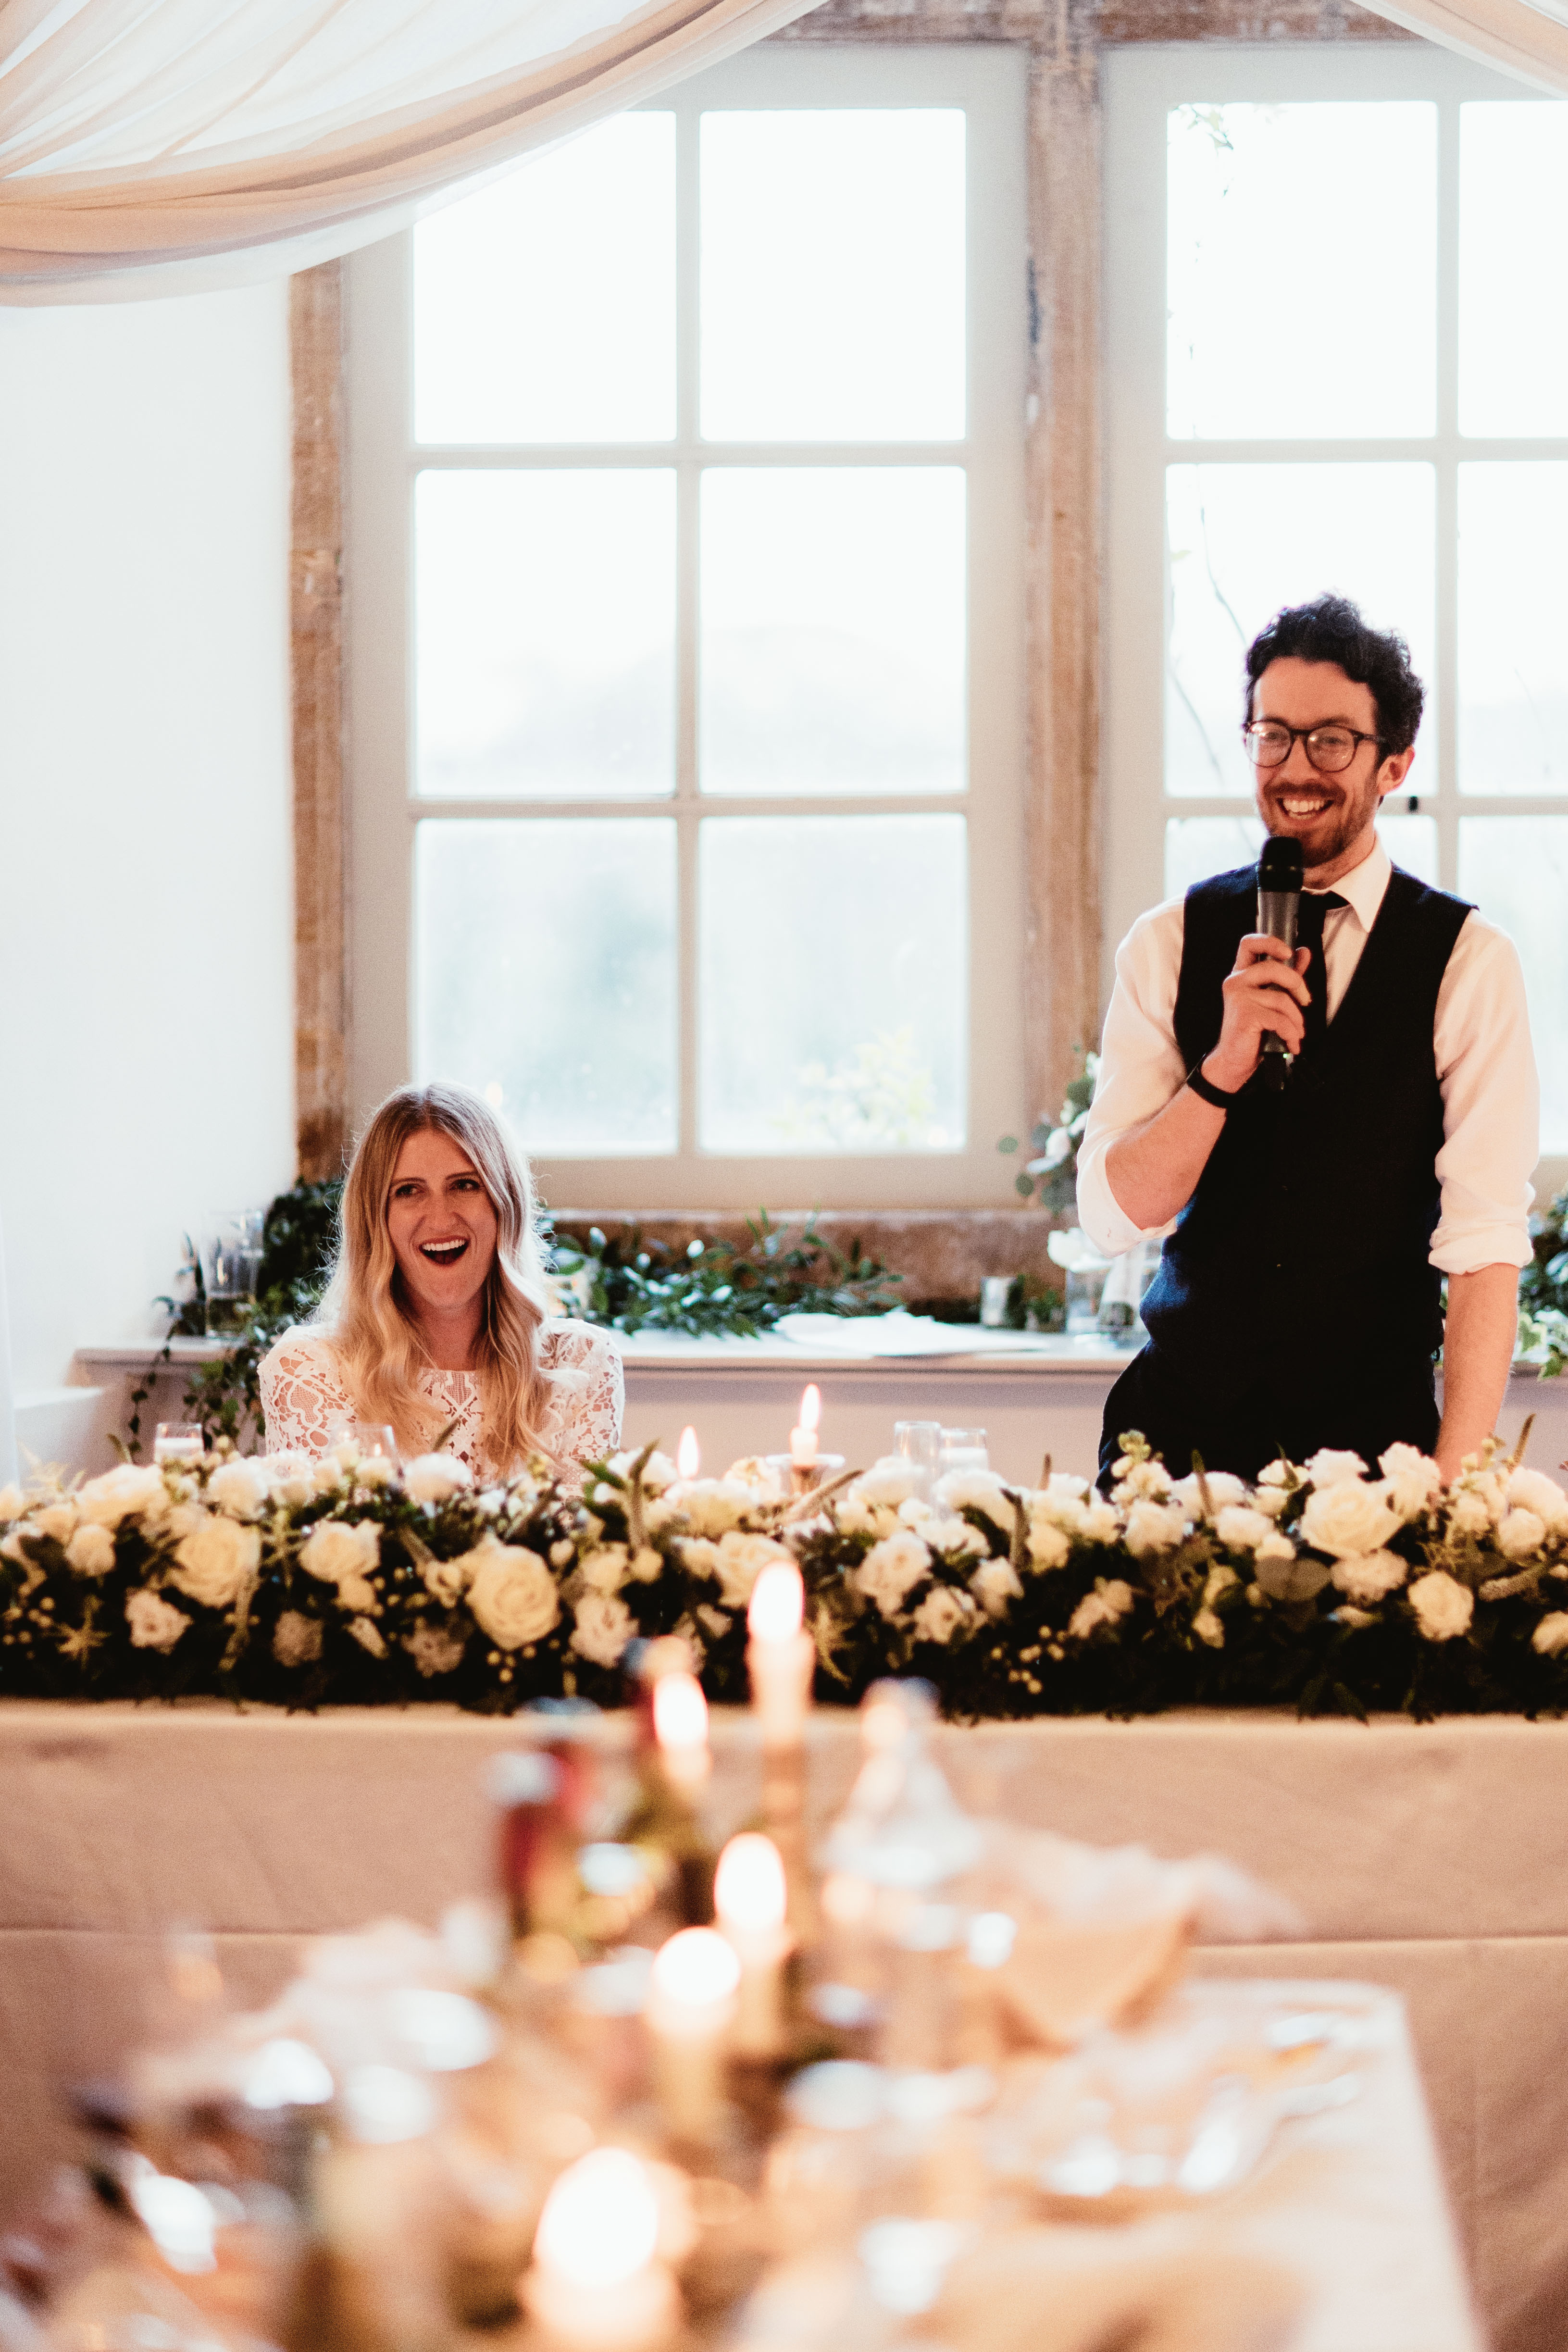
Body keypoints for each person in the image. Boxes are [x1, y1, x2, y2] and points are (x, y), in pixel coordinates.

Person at [1078, 593, 1538, 1486]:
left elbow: (1483, 1245)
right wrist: (1220, 1069)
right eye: (1273, 735)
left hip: (1374, 1460)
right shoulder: (1167, 942)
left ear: (1393, 763)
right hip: (1172, 1452)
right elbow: (1111, 1216)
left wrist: (1451, 1488)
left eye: (1330, 740)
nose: (1295, 766)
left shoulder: (1467, 960)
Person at [259, 1082, 622, 1488]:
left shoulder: (581, 1365)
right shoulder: (310, 1372)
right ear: (376, 1221)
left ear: (505, 1206)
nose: (440, 1218)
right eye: (409, 1191)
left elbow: (585, 1530)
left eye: (464, 1185)